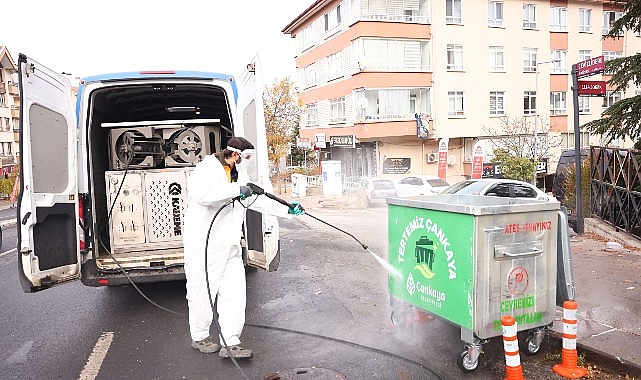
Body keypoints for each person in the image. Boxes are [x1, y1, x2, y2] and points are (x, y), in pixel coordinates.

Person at [183, 136, 304, 358]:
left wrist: (286, 209)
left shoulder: (239, 175)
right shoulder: (206, 169)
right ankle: (199, 336)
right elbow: (204, 196)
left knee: (235, 294)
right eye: (246, 157)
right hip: (205, 245)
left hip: (230, 245)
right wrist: (236, 190)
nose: (247, 162)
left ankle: (231, 342)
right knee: (202, 292)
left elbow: (254, 201)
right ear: (234, 155)